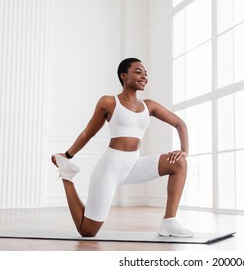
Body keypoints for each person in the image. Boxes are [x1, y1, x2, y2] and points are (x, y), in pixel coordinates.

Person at [51, 57, 193, 238]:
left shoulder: (149, 106)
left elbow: (180, 124)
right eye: (138, 71)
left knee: (179, 163)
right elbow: (88, 133)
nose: (144, 76)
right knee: (88, 231)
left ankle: (169, 222)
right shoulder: (109, 102)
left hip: (133, 165)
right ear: (123, 76)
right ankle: (67, 177)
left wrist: (184, 150)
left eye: (146, 73)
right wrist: (67, 156)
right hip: (110, 168)